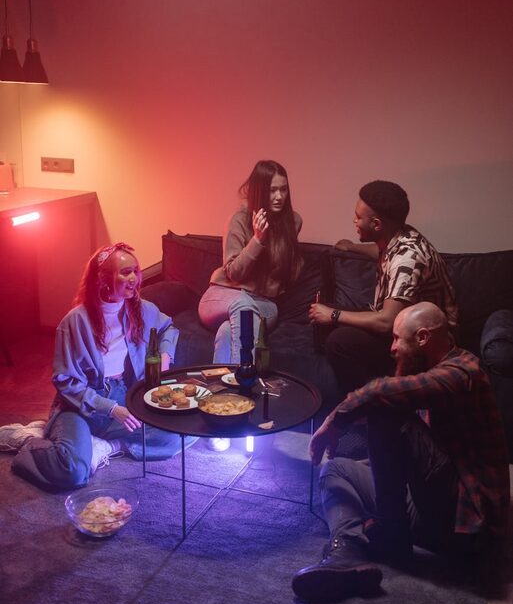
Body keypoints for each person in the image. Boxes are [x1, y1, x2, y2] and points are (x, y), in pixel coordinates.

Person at [292, 302, 510, 604]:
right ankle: (346, 552)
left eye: (397, 339)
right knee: (336, 469)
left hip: (467, 524)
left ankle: (391, 536)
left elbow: (382, 392)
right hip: (432, 510)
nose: (392, 348)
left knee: (385, 410)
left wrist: (335, 420)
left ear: (423, 338)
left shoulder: (464, 372)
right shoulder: (432, 370)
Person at [0, 242, 195, 490]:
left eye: (136, 270)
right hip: (80, 406)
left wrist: (165, 355)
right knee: (72, 472)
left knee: (183, 432)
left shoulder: (143, 310)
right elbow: (66, 382)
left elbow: (168, 328)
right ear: (103, 279)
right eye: (126, 272)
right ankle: (28, 440)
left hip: (127, 396)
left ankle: (108, 446)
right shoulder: (74, 322)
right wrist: (111, 409)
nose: (134, 278)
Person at [309, 180, 458, 398]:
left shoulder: (407, 260)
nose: (354, 220)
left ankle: (366, 401)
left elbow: (387, 322)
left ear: (377, 224)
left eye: (358, 217)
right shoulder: (399, 236)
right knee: (322, 311)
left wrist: (333, 315)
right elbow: (382, 252)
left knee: (338, 341)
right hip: (399, 322)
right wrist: (352, 247)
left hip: (421, 342)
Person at [199, 160, 303, 450]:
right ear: (259, 191)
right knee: (242, 306)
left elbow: (286, 274)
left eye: (283, 190)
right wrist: (257, 239)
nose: (279, 196)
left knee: (228, 331)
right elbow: (233, 273)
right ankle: (239, 404)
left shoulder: (293, 222)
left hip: (265, 305)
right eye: (272, 190)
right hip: (222, 295)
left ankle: (221, 415)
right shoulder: (240, 220)